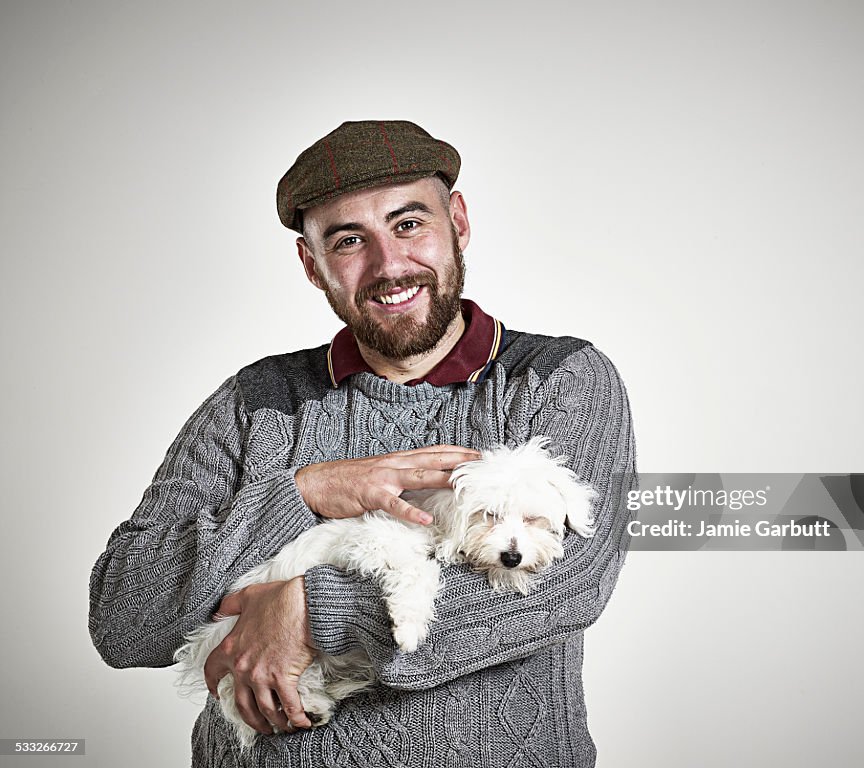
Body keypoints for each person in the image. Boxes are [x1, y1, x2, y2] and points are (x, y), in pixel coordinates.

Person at [89, 120, 636, 768]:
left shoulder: (556, 378)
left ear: (457, 221)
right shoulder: (255, 401)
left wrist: (306, 609)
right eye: (349, 240)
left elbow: (566, 584)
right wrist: (305, 491)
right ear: (312, 264)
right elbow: (125, 620)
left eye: (409, 224)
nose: (388, 265)